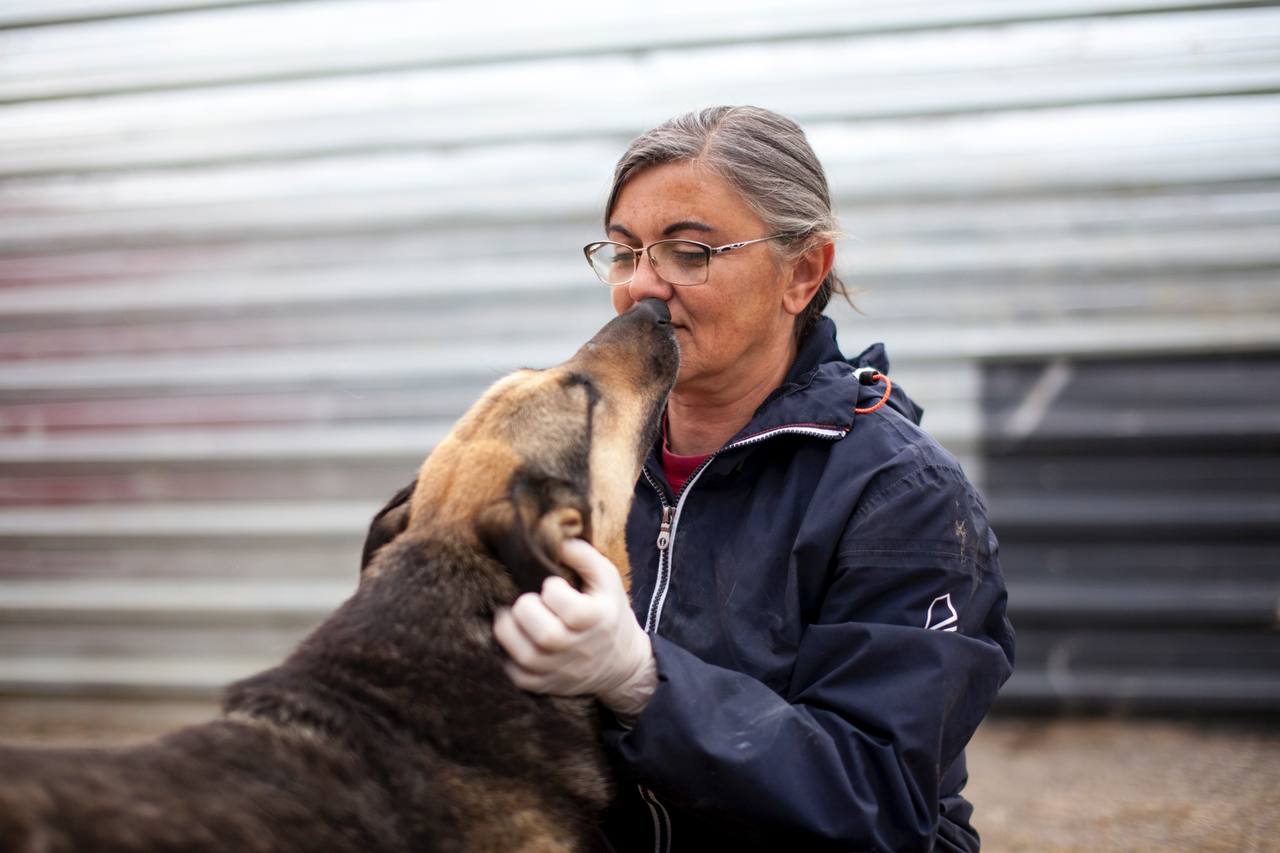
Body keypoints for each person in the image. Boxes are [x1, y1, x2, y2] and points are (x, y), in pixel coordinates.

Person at [493, 105, 1015, 852]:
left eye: (688, 253)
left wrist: (642, 681)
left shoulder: (902, 496)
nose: (642, 286)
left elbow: (879, 796)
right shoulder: (579, 459)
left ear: (802, 273)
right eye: (625, 252)